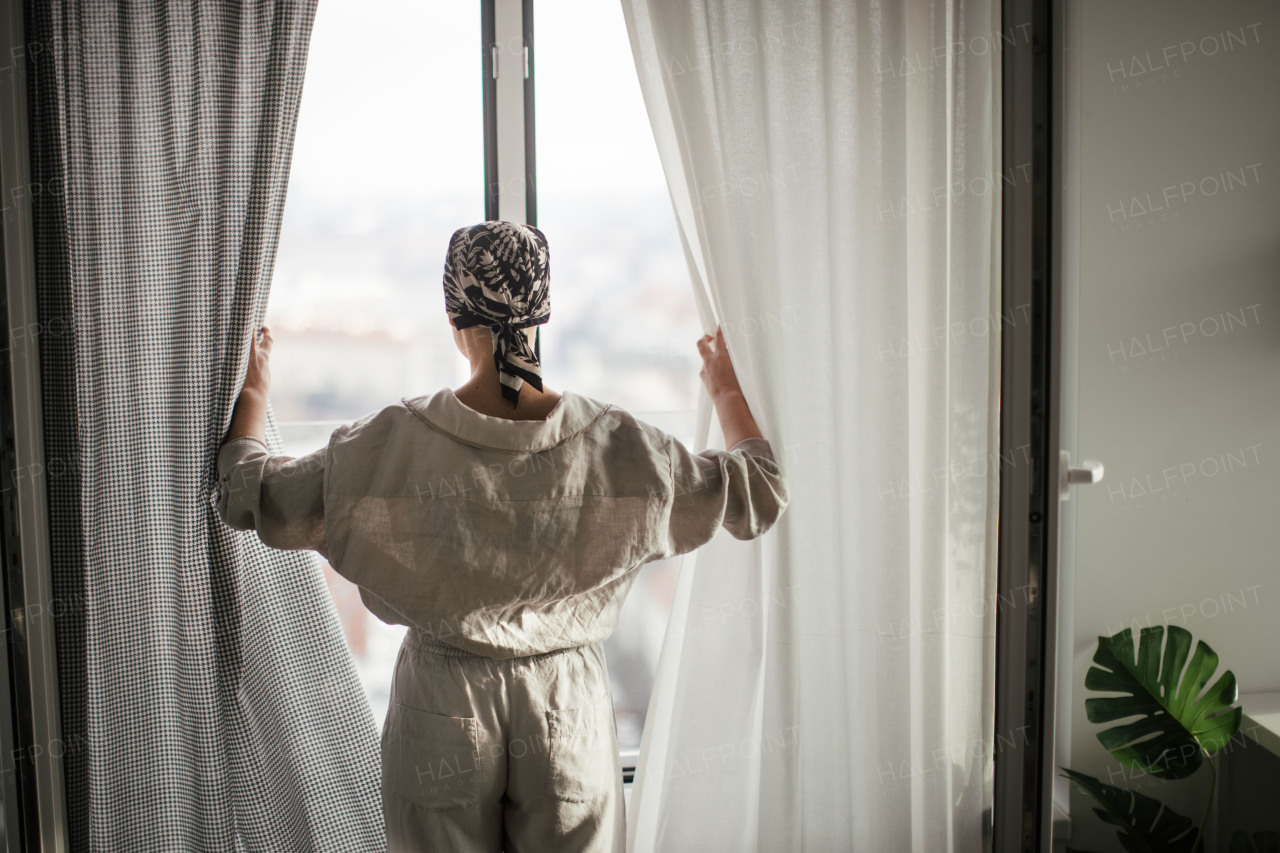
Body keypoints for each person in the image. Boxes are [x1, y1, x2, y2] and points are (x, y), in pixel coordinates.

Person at [216, 221, 788, 852]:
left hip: (442, 704)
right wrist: (729, 391)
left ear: (455, 320)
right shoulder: (623, 447)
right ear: (542, 314)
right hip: (565, 711)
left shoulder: (389, 443)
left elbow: (249, 495)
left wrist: (253, 390)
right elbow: (756, 492)